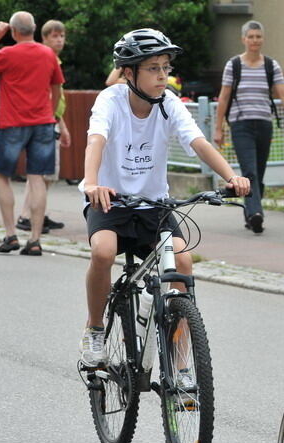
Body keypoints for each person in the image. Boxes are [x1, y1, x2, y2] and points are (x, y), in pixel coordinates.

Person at [79, 29, 249, 367]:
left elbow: (197, 142)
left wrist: (230, 176)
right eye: (153, 68)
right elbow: (96, 140)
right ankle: (96, 328)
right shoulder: (110, 101)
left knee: (183, 264)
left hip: (155, 204)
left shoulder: (169, 103)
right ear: (129, 73)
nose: (162, 76)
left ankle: (181, 364)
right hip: (111, 200)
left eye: (165, 67)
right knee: (104, 251)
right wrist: (91, 183)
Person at [0, 11, 64, 256]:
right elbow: (56, 88)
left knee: (2, 176)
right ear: (34, 29)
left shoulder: (6, 53)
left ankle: (10, 234)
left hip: (12, 123)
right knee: (37, 179)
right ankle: (35, 240)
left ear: (13, 32)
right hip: (43, 122)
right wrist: (52, 114)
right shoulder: (48, 54)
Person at [212, 20, 284, 235]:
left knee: (258, 174)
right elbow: (223, 97)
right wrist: (219, 128)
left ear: (263, 39)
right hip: (240, 124)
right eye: (250, 37)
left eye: (258, 37)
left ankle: (249, 214)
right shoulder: (234, 65)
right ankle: (255, 214)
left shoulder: (271, 65)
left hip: (264, 124)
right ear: (243, 39)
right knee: (249, 171)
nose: (254, 40)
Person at [16, 19, 71, 235]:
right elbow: (49, 95)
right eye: (54, 36)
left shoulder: (53, 60)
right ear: (44, 38)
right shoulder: (47, 61)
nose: (59, 40)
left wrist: (62, 124)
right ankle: (28, 215)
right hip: (46, 123)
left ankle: (36, 213)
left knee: (40, 174)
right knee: (43, 174)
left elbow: (57, 100)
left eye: (62, 36)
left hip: (51, 120)